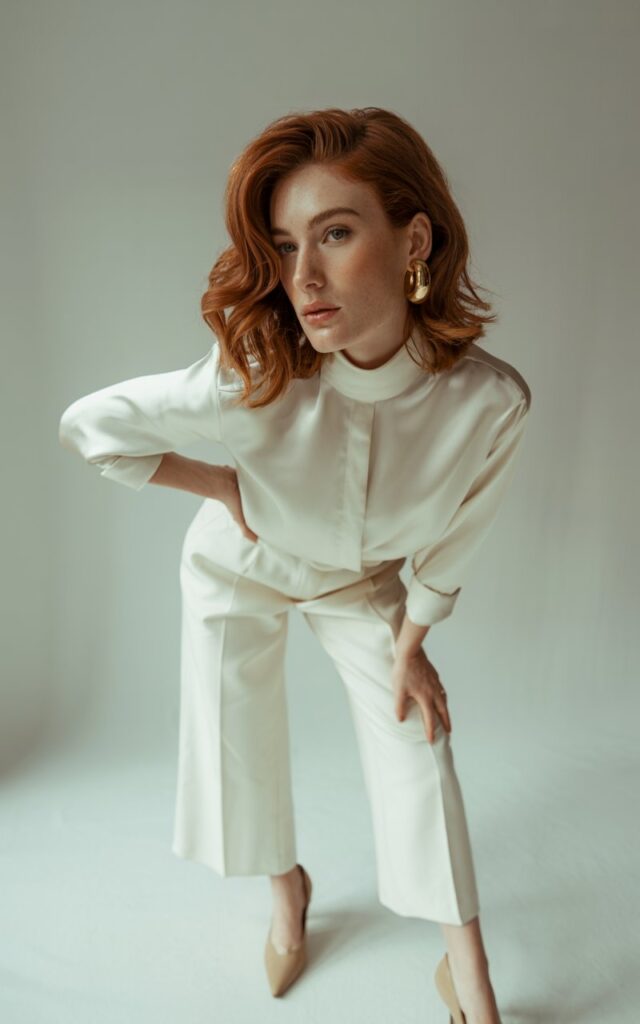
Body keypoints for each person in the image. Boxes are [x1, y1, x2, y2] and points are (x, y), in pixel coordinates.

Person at [58, 106, 531, 1022]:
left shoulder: (488, 403)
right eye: (283, 246)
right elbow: (92, 428)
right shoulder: (251, 373)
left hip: (359, 580)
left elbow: (458, 533)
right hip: (242, 566)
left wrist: (414, 640)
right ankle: (287, 891)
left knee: (419, 742)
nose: (302, 277)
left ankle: (472, 984)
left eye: (336, 233)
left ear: (413, 239)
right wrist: (217, 487)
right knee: (233, 732)